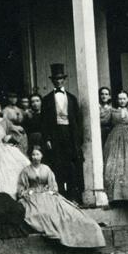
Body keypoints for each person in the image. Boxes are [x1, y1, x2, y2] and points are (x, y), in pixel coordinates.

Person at [16, 145, 106, 249]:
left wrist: (51, 192)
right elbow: (21, 188)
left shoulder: (46, 169)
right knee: (41, 213)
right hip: (33, 197)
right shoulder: (26, 171)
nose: (35, 157)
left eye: (37, 154)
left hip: (47, 194)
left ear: (41, 156)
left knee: (66, 212)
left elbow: (53, 186)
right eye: (33, 154)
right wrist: (28, 192)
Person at [40, 64, 84, 203]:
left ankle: (73, 195)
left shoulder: (71, 98)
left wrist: (78, 138)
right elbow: (44, 122)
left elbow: (77, 119)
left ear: (64, 80)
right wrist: (47, 138)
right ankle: (61, 195)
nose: (58, 81)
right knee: (57, 164)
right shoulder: (46, 100)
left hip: (70, 134)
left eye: (60, 79)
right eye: (56, 79)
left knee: (71, 165)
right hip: (55, 134)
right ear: (52, 81)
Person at [0, 102, 29, 197]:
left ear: (0, 110)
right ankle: (4, 193)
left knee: (16, 166)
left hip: (6, 146)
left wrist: (10, 137)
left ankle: (18, 190)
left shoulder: (5, 121)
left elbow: (16, 132)